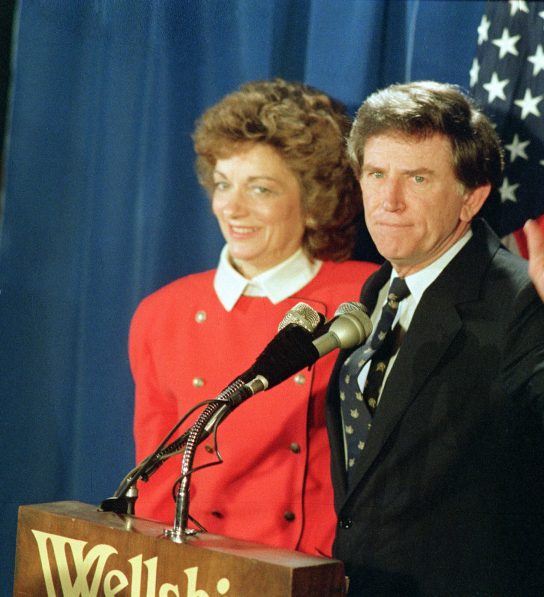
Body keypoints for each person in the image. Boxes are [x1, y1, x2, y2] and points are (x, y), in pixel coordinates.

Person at [324, 81, 544, 594]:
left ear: (472, 198)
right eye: (376, 174)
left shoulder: (518, 298)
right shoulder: (378, 290)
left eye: (418, 178)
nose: (389, 201)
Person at [129, 79, 377, 556]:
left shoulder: (363, 296)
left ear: (312, 202)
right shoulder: (162, 314)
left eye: (259, 189)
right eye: (223, 184)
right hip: (194, 576)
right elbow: (156, 491)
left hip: (313, 573)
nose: (231, 207)